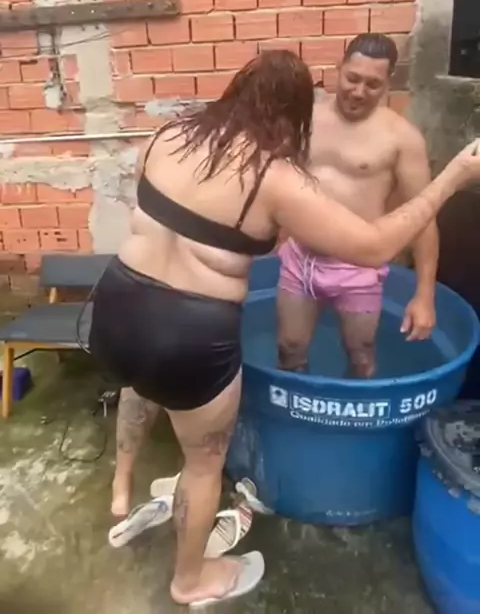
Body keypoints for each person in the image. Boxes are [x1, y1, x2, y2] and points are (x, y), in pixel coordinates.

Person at [88, 49, 480, 609]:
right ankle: (190, 581)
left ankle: (120, 488)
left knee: (138, 382)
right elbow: (374, 246)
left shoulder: (167, 136)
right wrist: (455, 177)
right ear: (297, 114)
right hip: (189, 333)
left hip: (117, 303)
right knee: (203, 465)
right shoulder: (274, 177)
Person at [277, 33, 439, 378]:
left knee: (361, 355)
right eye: (352, 78)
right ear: (339, 69)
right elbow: (274, 182)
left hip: (359, 269)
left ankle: (355, 411)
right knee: (289, 348)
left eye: (372, 84)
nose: (359, 91)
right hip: (301, 260)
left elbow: (423, 217)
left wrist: (424, 296)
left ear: (387, 84)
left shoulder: (401, 138)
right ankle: (291, 408)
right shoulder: (305, 119)